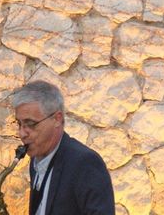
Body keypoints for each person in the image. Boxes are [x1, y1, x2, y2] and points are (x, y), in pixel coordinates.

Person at [11, 81, 115, 215]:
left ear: (57, 119)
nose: (22, 133)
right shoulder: (36, 160)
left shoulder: (85, 163)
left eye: (30, 124)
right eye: (19, 124)